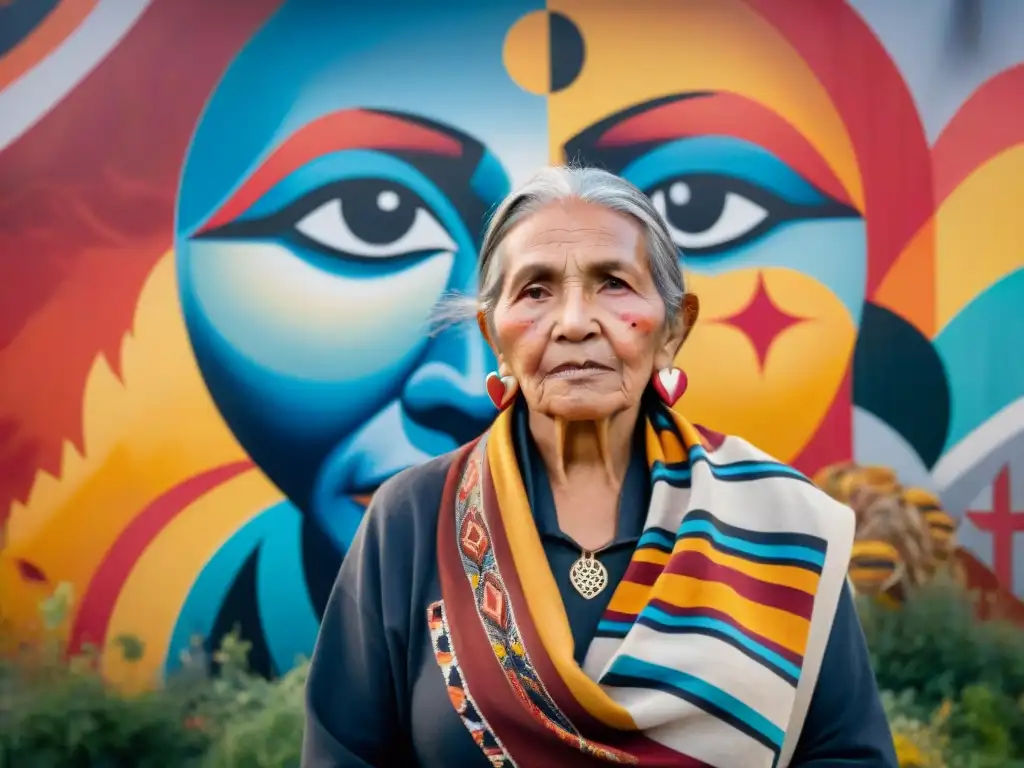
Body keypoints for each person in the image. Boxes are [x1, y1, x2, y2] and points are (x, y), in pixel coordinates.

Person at [301, 166, 897, 767]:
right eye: (535, 292)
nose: (575, 322)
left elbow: (846, 755)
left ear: (673, 328)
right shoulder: (412, 519)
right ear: (494, 335)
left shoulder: (774, 525)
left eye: (613, 284)